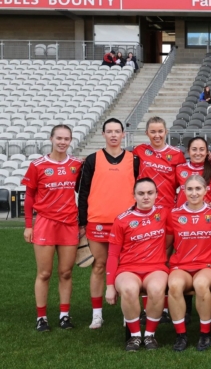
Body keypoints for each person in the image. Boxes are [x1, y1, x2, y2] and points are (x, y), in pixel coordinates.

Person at [78, 118, 139, 329]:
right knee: (99, 266)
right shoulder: (92, 160)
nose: (113, 135)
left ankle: (127, 312)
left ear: (123, 135)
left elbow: (141, 192)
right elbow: (83, 191)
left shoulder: (135, 160)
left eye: (117, 131)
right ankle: (97, 315)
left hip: (126, 224)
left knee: (125, 268)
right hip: (97, 221)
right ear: (103, 134)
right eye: (109, 131)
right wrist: (82, 222)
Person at [22, 125, 83, 332]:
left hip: (69, 224)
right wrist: (28, 226)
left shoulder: (76, 165)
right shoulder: (38, 165)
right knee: (45, 273)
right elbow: (29, 196)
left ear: (71, 140)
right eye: (59, 138)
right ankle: (42, 317)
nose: (63, 142)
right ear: (51, 139)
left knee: (65, 272)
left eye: (66, 138)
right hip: (45, 223)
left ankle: (64, 315)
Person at [105, 178, 169, 352]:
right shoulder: (122, 219)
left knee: (156, 289)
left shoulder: (165, 213)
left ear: (157, 194)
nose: (146, 197)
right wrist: (110, 286)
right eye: (141, 193)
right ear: (134, 195)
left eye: (150, 193)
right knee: (129, 289)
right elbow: (112, 255)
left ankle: (149, 335)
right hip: (128, 268)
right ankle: (134, 337)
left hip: (156, 267)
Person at [166, 175, 211, 351]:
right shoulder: (174, 214)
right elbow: (168, 243)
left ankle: (205, 334)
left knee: (201, 284)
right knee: (173, 285)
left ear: (206, 191)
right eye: (190, 189)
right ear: (184, 191)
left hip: (206, 265)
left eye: (198, 189)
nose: (194, 193)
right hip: (181, 265)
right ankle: (181, 335)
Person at [135, 117, 186, 209]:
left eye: (160, 131)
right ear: (146, 133)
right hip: (144, 205)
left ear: (166, 132)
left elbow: (183, 181)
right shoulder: (139, 150)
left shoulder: (177, 154)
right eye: (153, 132)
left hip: (167, 204)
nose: (157, 135)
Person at [175, 137, 211, 207]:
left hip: (206, 215)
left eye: (202, 149)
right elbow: (169, 189)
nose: (198, 153)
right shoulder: (179, 168)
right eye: (194, 149)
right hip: (182, 215)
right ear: (188, 151)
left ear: (206, 152)